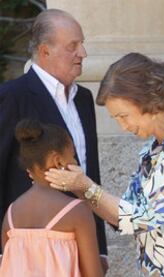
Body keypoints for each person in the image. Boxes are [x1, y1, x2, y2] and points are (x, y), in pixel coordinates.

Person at [45, 52, 164, 276]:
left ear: (147, 102)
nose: (123, 127)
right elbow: (123, 220)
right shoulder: (154, 149)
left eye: (123, 116)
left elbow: (143, 218)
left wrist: (86, 186)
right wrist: (78, 187)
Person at [0, 9, 108, 270]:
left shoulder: (83, 99)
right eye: (73, 46)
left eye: (82, 44)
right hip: (31, 253)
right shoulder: (12, 97)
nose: (83, 53)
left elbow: (89, 171)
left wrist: (100, 249)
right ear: (45, 51)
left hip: (84, 247)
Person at [0, 119, 103, 277]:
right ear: (58, 160)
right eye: (73, 156)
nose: (75, 162)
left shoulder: (11, 214)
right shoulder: (77, 211)